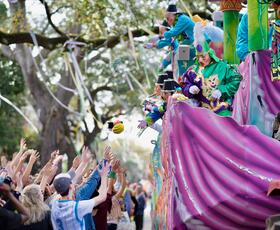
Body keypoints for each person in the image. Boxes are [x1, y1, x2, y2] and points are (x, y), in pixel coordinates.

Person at [182, 24, 241, 116]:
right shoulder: (192, 71)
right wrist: (190, 88)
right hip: (202, 115)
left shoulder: (222, 66)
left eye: (203, 56)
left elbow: (236, 80)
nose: (201, 60)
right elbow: (184, 85)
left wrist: (221, 90)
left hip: (222, 111)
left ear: (209, 53)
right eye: (198, 57)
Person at [51, 164, 109, 230]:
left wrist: (84, 162)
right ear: (71, 186)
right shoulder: (77, 206)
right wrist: (104, 176)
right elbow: (102, 197)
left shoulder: (53, 206)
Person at [163, 4, 195, 76]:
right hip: (188, 45)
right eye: (166, 19)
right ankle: (183, 79)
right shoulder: (176, 24)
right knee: (177, 56)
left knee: (180, 57)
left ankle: (183, 79)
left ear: (174, 15)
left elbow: (174, 32)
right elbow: (174, 37)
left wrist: (164, 34)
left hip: (196, 43)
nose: (168, 21)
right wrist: (171, 43)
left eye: (168, 18)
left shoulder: (182, 19)